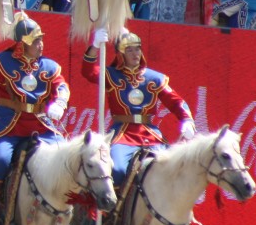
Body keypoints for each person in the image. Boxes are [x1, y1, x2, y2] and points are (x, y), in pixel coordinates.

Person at [0, 13, 69, 225]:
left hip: (41, 126)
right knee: (0, 161)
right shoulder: (1, 60)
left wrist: (60, 102)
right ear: (22, 43)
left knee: (65, 159)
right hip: (8, 127)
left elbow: (61, 86)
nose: (40, 44)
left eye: (41, 39)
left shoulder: (49, 66)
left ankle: (65, 213)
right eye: (35, 41)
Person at [82, 28, 195, 187]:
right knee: (118, 171)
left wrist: (187, 120)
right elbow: (88, 71)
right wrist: (95, 45)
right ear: (120, 54)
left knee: (173, 169)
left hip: (149, 134)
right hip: (122, 133)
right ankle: (113, 210)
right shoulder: (110, 75)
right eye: (129, 50)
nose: (135, 54)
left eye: (137, 49)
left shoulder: (154, 78)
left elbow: (176, 101)